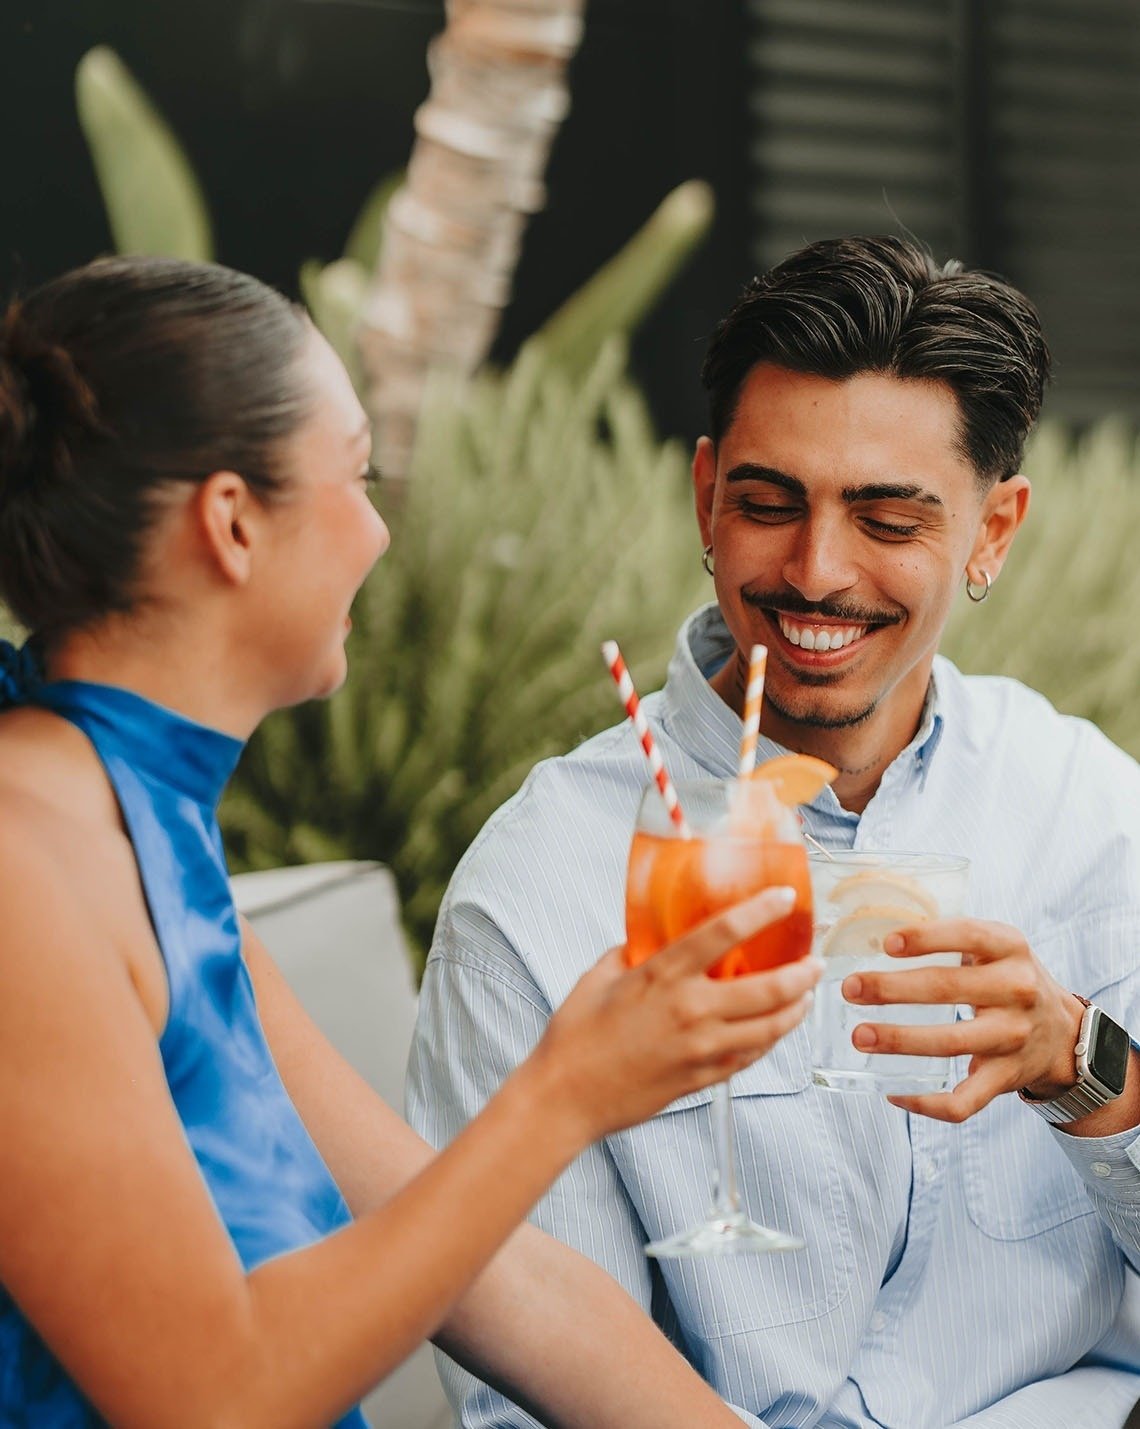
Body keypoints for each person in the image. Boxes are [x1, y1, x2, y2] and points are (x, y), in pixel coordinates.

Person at [0, 254, 824, 1428]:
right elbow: (206, 1399)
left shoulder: (137, 828)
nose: (379, 534)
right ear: (231, 522)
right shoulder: (24, 869)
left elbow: (500, 1274)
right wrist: (565, 1093)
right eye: (356, 475)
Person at [409, 235, 1140, 1428]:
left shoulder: (1086, 807)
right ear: (706, 497)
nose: (816, 571)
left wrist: (1084, 1069)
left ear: (994, 531)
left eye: (889, 520)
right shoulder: (542, 893)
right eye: (768, 504)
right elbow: (528, 1399)